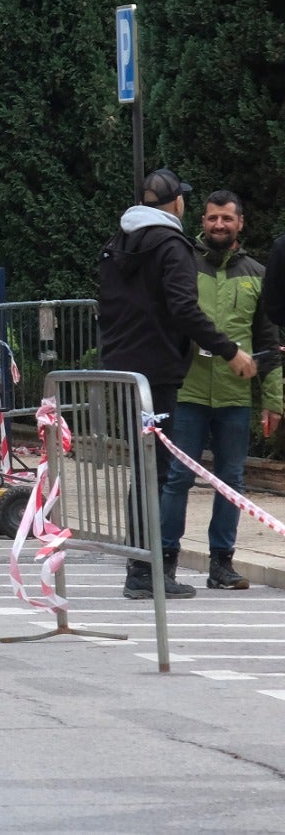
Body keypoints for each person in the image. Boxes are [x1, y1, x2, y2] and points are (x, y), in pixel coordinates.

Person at [99, 168, 255, 599]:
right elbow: (184, 309)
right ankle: (145, 572)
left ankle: (141, 567)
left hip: (123, 370)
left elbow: (110, 307)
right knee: (158, 469)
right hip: (159, 373)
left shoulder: (118, 243)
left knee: (144, 468)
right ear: (178, 203)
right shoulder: (172, 245)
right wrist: (230, 351)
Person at [161, 192, 281, 591]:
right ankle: (165, 562)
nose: (218, 225)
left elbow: (268, 339)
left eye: (227, 219)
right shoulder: (184, 264)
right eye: (212, 218)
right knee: (178, 478)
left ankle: (222, 565)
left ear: (240, 223)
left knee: (231, 481)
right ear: (203, 220)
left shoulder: (257, 273)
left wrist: (274, 400)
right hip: (188, 390)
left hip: (235, 395)